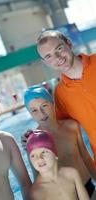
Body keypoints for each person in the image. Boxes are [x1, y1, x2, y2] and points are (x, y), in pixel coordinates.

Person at [22, 85, 96, 198]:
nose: (41, 113)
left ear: (53, 103)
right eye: (34, 111)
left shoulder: (72, 127)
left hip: (88, 186)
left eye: (44, 106)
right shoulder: (33, 141)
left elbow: (86, 157)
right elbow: (37, 175)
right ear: (30, 113)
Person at [36, 29, 96, 165]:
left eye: (59, 48)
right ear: (45, 62)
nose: (57, 58)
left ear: (69, 44)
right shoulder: (60, 94)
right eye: (48, 56)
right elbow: (57, 126)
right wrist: (33, 134)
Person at [27, 130, 90, 200]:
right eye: (33, 156)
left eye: (43, 152)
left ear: (55, 153)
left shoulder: (71, 174)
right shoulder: (36, 193)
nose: (39, 158)